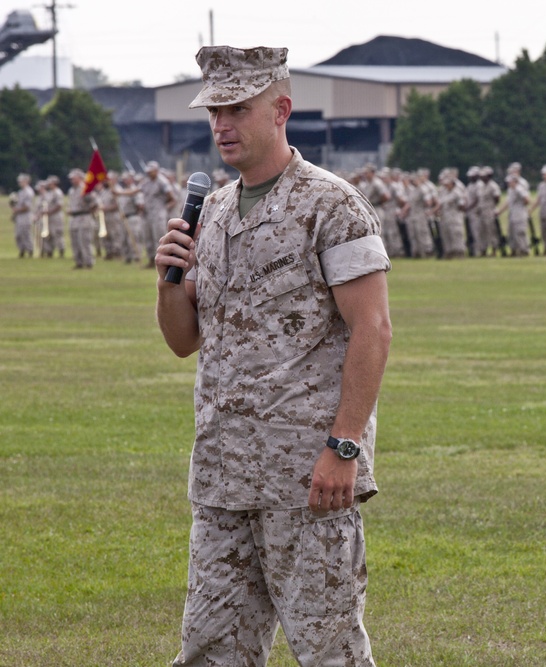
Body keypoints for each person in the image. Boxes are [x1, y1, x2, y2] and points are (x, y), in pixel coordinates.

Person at [154, 45, 391, 667]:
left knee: (329, 650)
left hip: (306, 478)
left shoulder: (330, 205)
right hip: (223, 472)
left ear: (280, 109)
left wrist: (344, 448)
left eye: (237, 108)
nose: (220, 124)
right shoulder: (216, 210)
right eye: (214, 110)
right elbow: (184, 341)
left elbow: (373, 328)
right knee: (209, 651)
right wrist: (169, 281)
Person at [66, 168, 98, 269]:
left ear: (80, 178)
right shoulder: (71, 190)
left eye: (74, 178)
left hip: (84, 216)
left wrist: (89, 209)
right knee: (75, 241)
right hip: (74, 217)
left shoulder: (85, 188)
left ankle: (89, 262)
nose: (72, 181)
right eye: (71, 179)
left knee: (84, 241)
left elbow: (95, 203)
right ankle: (78, 262)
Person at [495, 171, 532, 256]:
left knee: (520, 233)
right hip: (512, 215)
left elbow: (527, 200)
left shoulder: (520, 189)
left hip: (520, 215)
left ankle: (524, 250)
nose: (508, 183)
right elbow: (508, 202)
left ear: (515, 181)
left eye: (510, 182)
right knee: (512, 234)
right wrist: (499, 211)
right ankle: (514, 250)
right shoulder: (511, 190)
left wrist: (522, 205)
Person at [12, 173, 35, 258]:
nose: (19, 182)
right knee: (18, 234)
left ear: (26, 181)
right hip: (19, 216)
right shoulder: (20, 192)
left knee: (26, 234)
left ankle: (30, 250)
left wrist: (17, 210)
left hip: (26, 216)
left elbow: (27, 207)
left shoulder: (29, 192)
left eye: (21, 181)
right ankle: (22, 250)